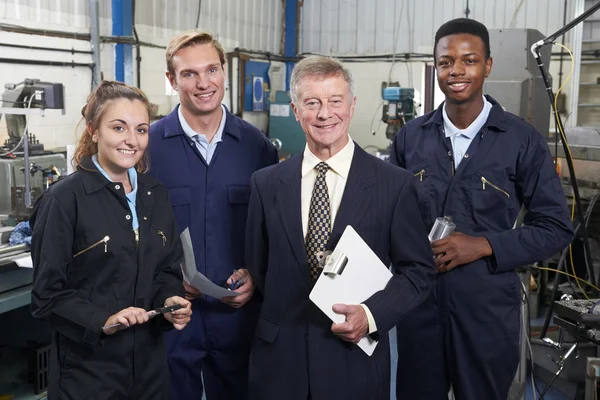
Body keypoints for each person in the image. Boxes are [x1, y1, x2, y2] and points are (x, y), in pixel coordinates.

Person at [390, 18, 574, 400]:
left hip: (486, 314)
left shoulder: (522, 141)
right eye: (445, 62)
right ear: (435, 66)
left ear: (487, 65)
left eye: (469, 60)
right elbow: (388, 214)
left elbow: (556, 227)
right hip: (419, 308)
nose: (456, 71)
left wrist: (483, 245)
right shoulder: (411, 137)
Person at [245, 55, 436, 400]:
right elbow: (260, 268)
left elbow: (418, 272)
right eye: (312, 103)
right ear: (295, 109)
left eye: (335, 101)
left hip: (353, 363)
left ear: (352, 106)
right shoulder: (266, 183)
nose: (324, 113)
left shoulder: (394, 185)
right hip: (279, 364)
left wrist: (372, 314)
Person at [29, 80, 192, 400]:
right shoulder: (65, 200)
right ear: (93, 130)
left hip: (149, 372)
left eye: (142, 129)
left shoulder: (154, 195)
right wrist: (103, 321)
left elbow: (167, 269)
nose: (132, 140)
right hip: (88, 375)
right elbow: (46, 297)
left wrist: (170, 301)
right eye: (119, 128)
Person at [147, 30, 279, 400]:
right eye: (189, 74)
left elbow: (270, 233)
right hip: (172, 319)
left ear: (224, 73)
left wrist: (256, 277)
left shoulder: (257, 147)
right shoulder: (147, 149)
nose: (203, 83)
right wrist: (168, 286)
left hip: (239, 319)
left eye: (212, 70)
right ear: (172, 81)